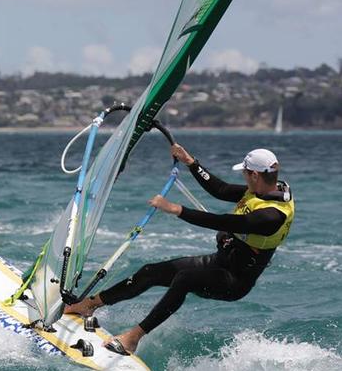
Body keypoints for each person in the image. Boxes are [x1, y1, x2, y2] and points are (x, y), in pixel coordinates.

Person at [65, 145, 294, 355]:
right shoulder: (262, 190)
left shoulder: (271, 215)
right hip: (219, 262)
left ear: (255, 175)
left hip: (233, 281)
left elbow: (225, 222)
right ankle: (89, 305)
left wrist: (176, 209)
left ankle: (132, 339)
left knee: (185, 278)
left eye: (245, 173)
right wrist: (190, 162)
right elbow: (221, 189)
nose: (243, 177)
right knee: (150, 271)